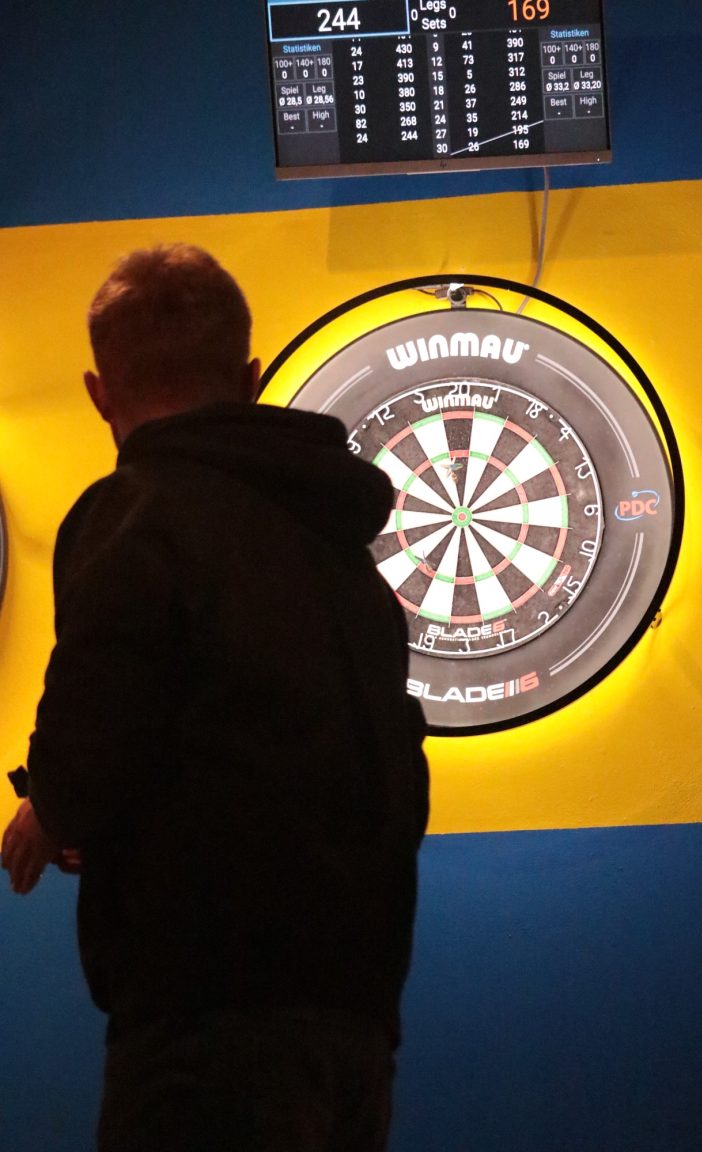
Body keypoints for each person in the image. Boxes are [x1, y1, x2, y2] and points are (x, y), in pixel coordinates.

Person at [1, 244, 429, 1152]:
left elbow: (89, 735)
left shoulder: (135, 513)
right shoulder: (341, 547)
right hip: (356, 1028)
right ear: (250, 376)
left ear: (99, 394)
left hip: (204, 1032)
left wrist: (50, 809)